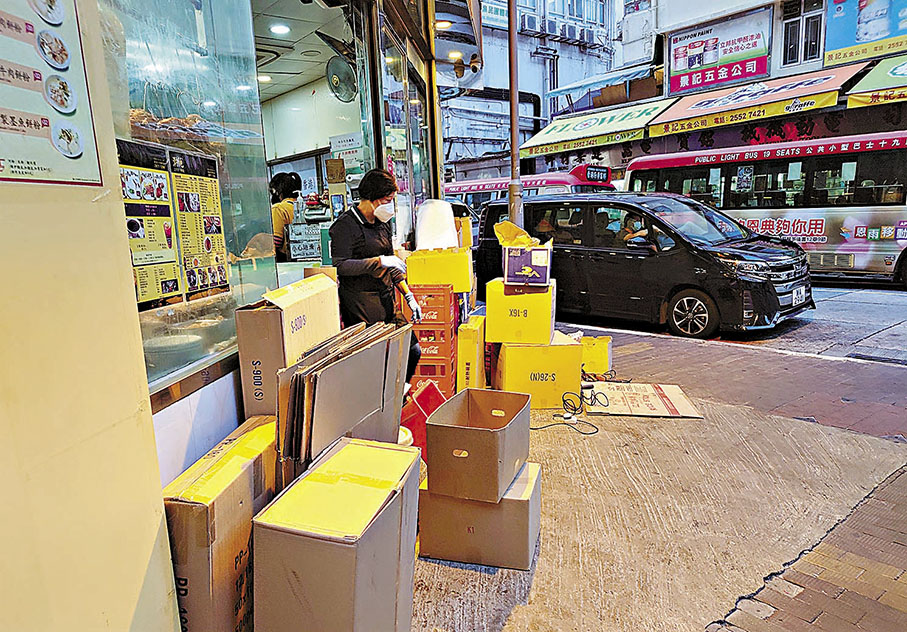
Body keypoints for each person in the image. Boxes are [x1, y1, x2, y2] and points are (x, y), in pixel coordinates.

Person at [329, 168, 422, 384]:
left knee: (413, 350)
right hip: (361, 305)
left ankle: (397, 394)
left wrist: (408, 295)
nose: (391, 206)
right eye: (388, 200)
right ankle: (384, 403)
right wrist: (378, 262)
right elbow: (340, 266)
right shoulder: (345, 226)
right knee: (377, 364)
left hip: (386, 300)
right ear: (372, 199)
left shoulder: (383, 224)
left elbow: (393, 263)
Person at [270, 172, 299, 262]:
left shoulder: (278, 208)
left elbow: (277, 241)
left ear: (277, 191)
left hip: (285, 259)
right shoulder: (299, 205)